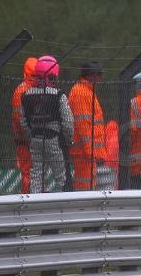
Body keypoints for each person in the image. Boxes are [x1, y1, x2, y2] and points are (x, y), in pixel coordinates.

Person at [20, 55, 75, 193]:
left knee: (37, 174)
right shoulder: (58, 95)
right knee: (62, 176)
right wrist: (68, 140)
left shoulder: (27, 95)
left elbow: (24, 121)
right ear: (53, 74)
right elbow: (68, 121)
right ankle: (67, 203)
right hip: (54, 139)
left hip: (36, 138)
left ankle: (35, 203)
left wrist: (30, 136)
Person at [68, 60, 107, 191]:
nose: (101, 78)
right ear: (92, 75)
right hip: (85, 152)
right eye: (99, 75)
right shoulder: (82, 92)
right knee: (84, 184)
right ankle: (81, 208)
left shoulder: (87, 91)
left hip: (87, 151)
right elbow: (83, 125)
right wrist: (92, 152)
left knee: (87, 183)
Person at [11, 57, 38, 194]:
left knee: (35, 171)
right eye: (34, 76)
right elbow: (19, 119)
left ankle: (35, 197)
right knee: (28, 172)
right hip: (25, 142)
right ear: (27, 74)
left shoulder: (33, 89)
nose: (36, 79)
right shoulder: (22, 91)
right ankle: (28, 198)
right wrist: (30, 139)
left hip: (32, 140)